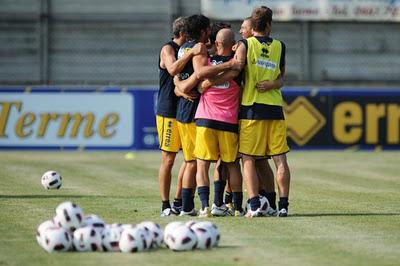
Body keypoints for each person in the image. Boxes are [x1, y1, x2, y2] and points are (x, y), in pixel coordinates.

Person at [234, 6, 291, 217]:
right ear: (269, 25)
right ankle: (282, 206)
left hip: (251, 109)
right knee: (280, 160)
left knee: (247, 157)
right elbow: (281, 78)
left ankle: (254, 204)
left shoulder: (245, 45)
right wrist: (272, 84)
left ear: (253, 25)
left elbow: (236, 69)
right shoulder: (280, 46)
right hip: (275, 109)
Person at [193, 28, 244, 217]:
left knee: (202, 164)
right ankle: (237, 207)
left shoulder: (207, 62)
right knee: (232, 165)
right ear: (234, 45)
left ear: (216, 44)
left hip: (205, 118)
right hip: (228, 121)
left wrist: (207, 83)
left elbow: (200, 77)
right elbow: (236, 70)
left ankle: (205, 207)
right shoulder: (236, 66)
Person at [156, 17, 202, 217]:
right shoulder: (168, 49)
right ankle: (165, 204)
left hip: (184, 111)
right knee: (169, 159)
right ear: (183, 34)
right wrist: (191, 52)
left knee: (189, 158)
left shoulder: (189, 49)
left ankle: (179, 201)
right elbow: (173, 69)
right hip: (168, 111)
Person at [173, 14, 211, 216]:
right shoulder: (199, 49)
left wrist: (178, 87)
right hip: (194, 110)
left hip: (182, 110)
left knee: (190, 162)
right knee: (197, 162)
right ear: (204, 31)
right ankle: (189, 206)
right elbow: (200, 74)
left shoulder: (183, 47)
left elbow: (177, 75)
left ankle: (186, 207)